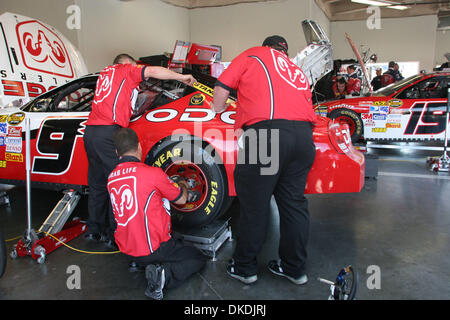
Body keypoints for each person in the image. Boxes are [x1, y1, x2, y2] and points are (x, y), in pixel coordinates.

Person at [211, 35, 317, 285]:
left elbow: (221, 87)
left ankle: (245, 267)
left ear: (265, 45)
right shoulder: (296, 69)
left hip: (266, 135)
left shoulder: (254, 54)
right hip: (303, 137)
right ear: (285, 50)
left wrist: (217, 110)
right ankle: (295, 269)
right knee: (294, 205)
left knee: (254, 205)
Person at [83, 54, 196, 246]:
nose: (138, 73)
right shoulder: (124, 70)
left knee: (98, 184)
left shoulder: (104, 74)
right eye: (136, 67)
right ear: (127, 64)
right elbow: (152, 71)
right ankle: (115, 235)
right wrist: (181, 77)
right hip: (109, 132)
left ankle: (94, 231)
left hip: (90, 132)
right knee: (119, 185)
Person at [107, 128, 207, 300]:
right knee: (197, 257)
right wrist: (182, 183)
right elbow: (182, 199)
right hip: (152, 249)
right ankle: (163, 276)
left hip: (127, 250)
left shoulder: (111, 178)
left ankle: (143, 263)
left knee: (173, 238)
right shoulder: (152, 174)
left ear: (117, 152)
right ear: (139, 147)